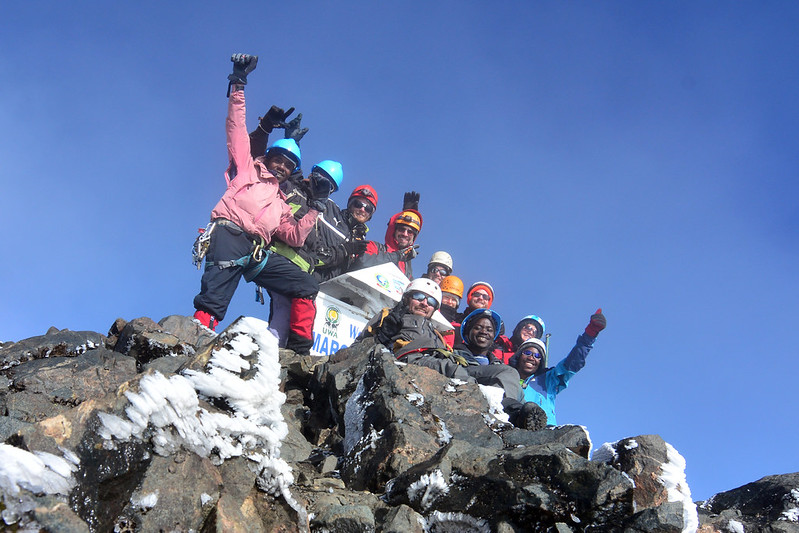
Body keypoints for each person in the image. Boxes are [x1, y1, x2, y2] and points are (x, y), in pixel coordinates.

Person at [191, 54, 329, 354]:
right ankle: (194, 341)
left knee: (305, 286)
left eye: (288, 164)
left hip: (257, 252)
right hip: (228, 235)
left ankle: (301, 353)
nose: (281, 166)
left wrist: (316, 207)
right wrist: (238, 82)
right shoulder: (247, 167)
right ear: (269, 157)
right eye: (278, 159)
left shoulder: (281, 201)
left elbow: (293, 236)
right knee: (214, 299)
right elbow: (235, 127)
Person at [357, 280, 545, 429]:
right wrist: (383, 338)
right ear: (406, 298)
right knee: (461, 375)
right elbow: (361, 344)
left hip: (441, 361)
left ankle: (517, 412)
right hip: (413, 359)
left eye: (430, 301)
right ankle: (498, 417)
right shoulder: (390, 316)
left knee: (508, 374)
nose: (424, 303)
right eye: (419, 296)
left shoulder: (436, 333)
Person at [508, 309, 606, 425]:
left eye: (538, 356)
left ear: (541, 362)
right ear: (519, 356)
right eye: (528, 353)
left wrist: (590, 334)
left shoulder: (548, 380)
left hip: (545, 433)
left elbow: (573, 362)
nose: (532, 357)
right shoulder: (507, 377)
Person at [352, 192, 421, 277]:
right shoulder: (374, 247)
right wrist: (397, 256)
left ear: (414, 237)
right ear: (394, 231)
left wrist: (410, 214)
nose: (405, 234)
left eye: (410, 232)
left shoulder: (407, 269)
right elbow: (361, 262)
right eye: (401, 229)